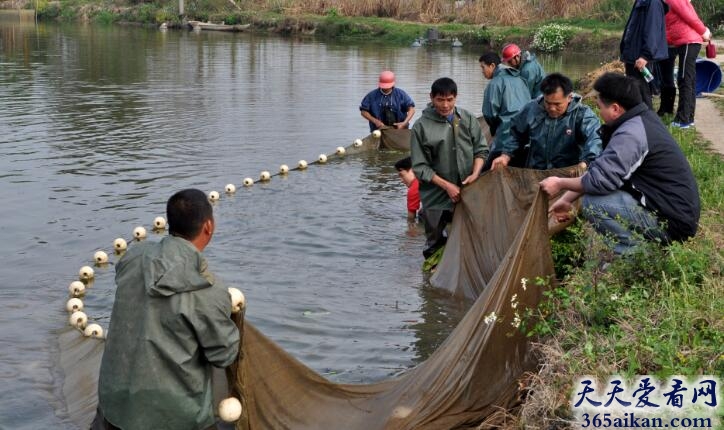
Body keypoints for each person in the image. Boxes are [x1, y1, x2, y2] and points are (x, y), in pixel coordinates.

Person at [94, 189, 240, 430]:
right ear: (208, 226)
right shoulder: (209, 291)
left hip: (113, 408)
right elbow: (223, 355)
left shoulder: (133, 257)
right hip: (176, 419)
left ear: (170, 222)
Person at [539, 73, 700, 255]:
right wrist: (566, 199)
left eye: (600, 107)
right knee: (598, 191)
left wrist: (559, 183)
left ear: (615, 109)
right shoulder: (640, 119)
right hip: (671, 211)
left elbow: (598, 181)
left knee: (593, 202)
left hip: (672, 222)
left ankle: (635, 255)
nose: (599, 113)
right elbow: (600, 170)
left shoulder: (631, 134)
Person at [410, 77, 489, 258]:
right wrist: (447, 186)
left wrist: (475, 174)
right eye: (440, 100)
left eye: (449, 100)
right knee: (434, 243)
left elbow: (481, 150)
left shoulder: (467, 119)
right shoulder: (421, 127)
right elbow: (420, 167)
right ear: (431, 98)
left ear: (456, 98)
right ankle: (430, 279)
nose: (445, 105)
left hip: (468, 189)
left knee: (470, 237)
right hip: (435, 195)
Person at [490, 73, 602, 170]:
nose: (552, 108)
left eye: (557, 104)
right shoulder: (531, 109)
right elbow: (515, 135)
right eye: (548, 103)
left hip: (567, 174)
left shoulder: (582, 114)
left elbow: (595, 138)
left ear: (569, 97)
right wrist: (505, 155)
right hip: (534, 171)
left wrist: (585, 162)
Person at [657, 0, 712, 128]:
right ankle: (688, 117)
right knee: (687, 79)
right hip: (681, 41)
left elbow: (690, 16)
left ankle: (683, 119)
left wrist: (704, 32)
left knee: (684, 79)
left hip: (689, 41)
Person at [619, 0, 669, 109]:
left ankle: (648, 123)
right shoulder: (641, 1)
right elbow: (631, 28)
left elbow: (653, 31)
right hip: (633, 56)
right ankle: (638, 122)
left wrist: (645, 56)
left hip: (641, 58)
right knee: (635, 95)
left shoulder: (653, 3)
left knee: (643, 95)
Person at [479, 51, 531, 156]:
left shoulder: (494, 83)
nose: (482, 71)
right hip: (526, 134)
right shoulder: (520, 79)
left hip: (505, 136)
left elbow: (489, 114)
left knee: (492, 163)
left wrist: (494, 130)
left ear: (492, 66)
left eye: (483, 67)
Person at [395, 156, 421, 223]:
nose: (401, 180)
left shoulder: (414, 187)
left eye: (402, 175)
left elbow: (411, 218)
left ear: (413, 170)